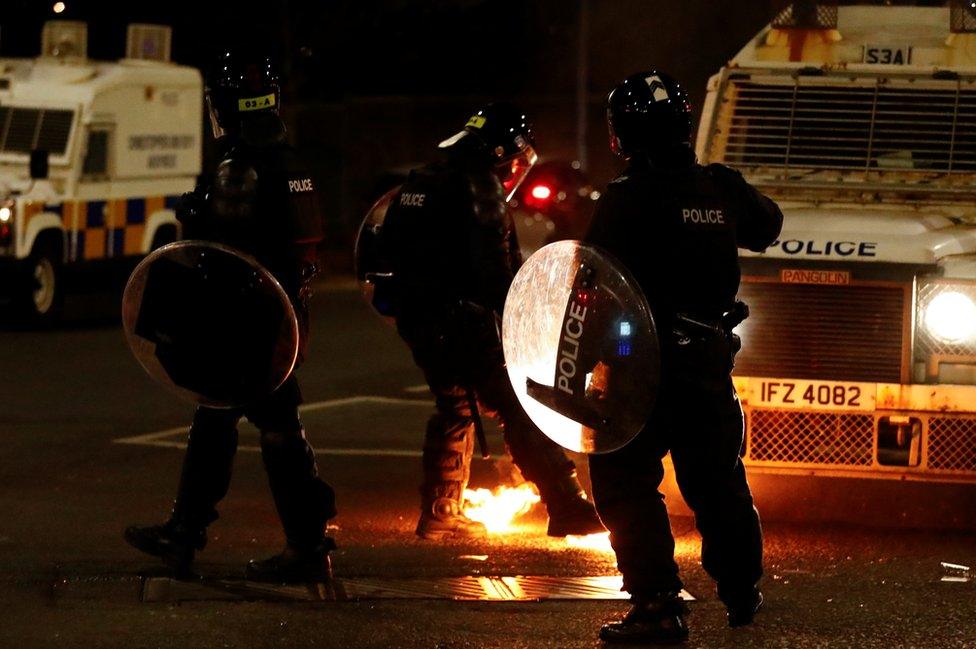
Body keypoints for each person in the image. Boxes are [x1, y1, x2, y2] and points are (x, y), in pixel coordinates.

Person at [585, 71, 783, 644]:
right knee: (718, 481)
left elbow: (590, 287)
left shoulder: (622, 199)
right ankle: (743, 593)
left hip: (637, 369)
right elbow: (767, 225)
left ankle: (657, 606)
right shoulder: (718, 188)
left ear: (621, 133)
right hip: (706, 366)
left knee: (624, 482)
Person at [124, 49, 336, 583]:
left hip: (243, 324)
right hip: (281, 322)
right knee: (219, 416)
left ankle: (305, 548)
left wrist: (193, 211)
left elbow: (217, 253)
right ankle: (186, 533)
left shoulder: (239, 168)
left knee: (273, 427)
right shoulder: (294, 166)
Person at [379, 104, 606, 540]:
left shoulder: (420, 182)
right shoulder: (479, 189)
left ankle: (440, 510)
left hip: (420, 321)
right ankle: (568, 507)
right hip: (466, 323)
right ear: (503, 153)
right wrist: (519, 321)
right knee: (516, 406)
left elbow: (383, 253)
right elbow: (494, 273)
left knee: (455, 405)